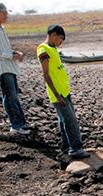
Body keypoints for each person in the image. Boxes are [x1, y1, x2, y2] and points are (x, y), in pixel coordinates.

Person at [36, 25, 90, 159]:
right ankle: (76, 149)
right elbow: (46, 75)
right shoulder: (44, 49)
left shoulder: (52, 48)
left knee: (64, 120)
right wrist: (56, 95)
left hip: (64, 91)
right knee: (71, 121)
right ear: (54, 35)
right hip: (58, 94)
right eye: (60, 40)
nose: (60, 44)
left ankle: (66, 146)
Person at [0, 3, 31, 135]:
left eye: (6, 13)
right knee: (10, 97)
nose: (6, 15)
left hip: (10, 67)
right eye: (4, 13)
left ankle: (22, 123)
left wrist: (15, 53)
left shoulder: (0, 28)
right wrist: (10, 55)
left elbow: (3, 49)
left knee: (14, 96)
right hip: (3, 68)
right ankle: (16, 125)